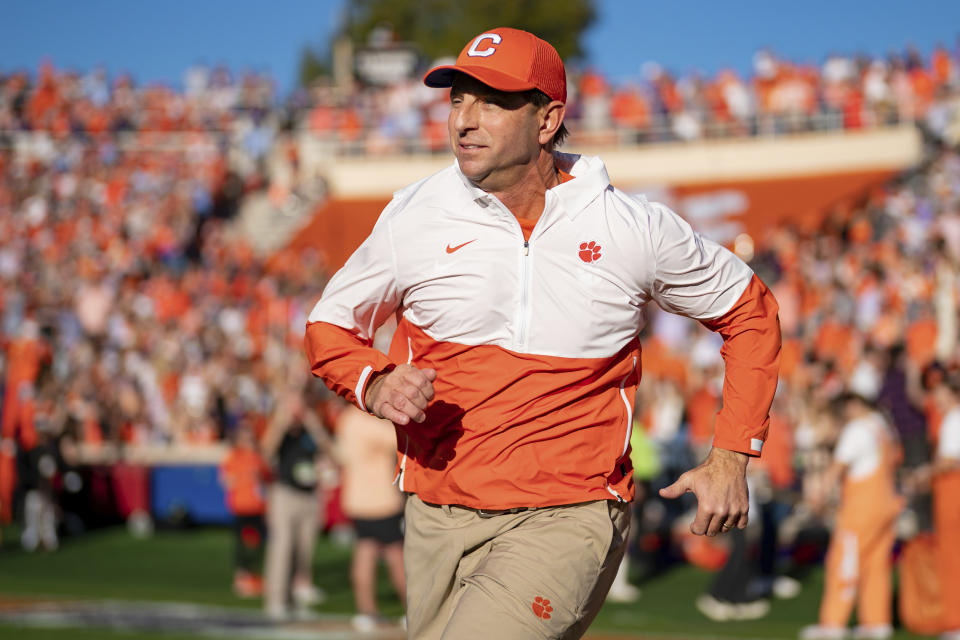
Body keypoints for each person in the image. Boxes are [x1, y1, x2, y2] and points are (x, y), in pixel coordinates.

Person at [305, 27, 780, 640]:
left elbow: (751, 310)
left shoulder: (629, 226)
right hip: (436, 511)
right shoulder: (412, 215)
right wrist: (372, 384)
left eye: (492, 102)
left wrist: (732, 453)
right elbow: (329, 325)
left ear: (548, 120)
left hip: (570, 512)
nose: (464, 121)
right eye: (457, 100)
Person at [800, 393, 904, 640]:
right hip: (887, 502)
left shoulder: (857, 429)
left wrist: (818, 495)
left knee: (843, 563)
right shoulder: (881, 424)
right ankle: (877, 624)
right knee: (875, 566)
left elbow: (838, 466)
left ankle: (833, 625)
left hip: (862, 507)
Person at [334, 404, 407, 631]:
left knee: (365, 550)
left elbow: (341, 455)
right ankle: (412, 609)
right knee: (397, 554)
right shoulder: (371, 421)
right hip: (381, 499)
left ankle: (366, 611)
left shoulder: (347, 419)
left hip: (357, 498)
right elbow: (399, 440)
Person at [260, 390, 330, 620]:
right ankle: (276, 600)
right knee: (282, 547)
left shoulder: (309, 431)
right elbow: (267, 450)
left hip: (309, 495)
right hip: (285, 493)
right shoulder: (282, 432)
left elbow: (328, 448)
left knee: (303, 550)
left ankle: (295, 595)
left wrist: (311, 421)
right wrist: (281, 421)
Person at [219, 420, 272, 598]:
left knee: (259, 543)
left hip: (258, 506)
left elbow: (267, 477)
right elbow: (226, 481)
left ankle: (255, 575)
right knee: (241, 543)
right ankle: (241, 576)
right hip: (241, 506)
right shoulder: (234, 456)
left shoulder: (258, 457)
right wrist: (245, 478)